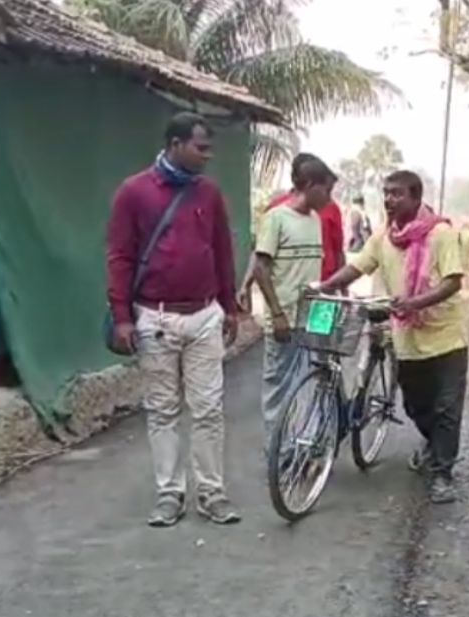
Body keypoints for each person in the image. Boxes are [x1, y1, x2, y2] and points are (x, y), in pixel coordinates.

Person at [106, 112, 241, 528]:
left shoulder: (210, 194)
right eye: (201, 147)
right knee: (163, 410)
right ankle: (169, 493)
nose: (208, 155)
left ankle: (211, 493)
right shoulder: (134, 192)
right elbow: (119, 257)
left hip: (204, 317)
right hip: (155, 319)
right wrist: (122, 318)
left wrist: (229, 306)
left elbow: (222, 250)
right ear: (176, 144)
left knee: (208, 409)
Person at [313, 170, 469, 504]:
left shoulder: (441, 233)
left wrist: (414, 302)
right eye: (386, 193)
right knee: (415, 405)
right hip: (407, 337)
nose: (389, 200)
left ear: (415, 197)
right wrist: (326, 285)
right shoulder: (384, 236)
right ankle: (433, 445)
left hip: (446, 337)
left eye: (397, 194)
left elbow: (453, 281)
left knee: (447, 407)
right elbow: (359, 267)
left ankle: (442, 473)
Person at [241, 155, 337, 445]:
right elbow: (260, 267)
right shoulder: (276, 218)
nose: (329, 198)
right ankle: (278, 451)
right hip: (284, 319)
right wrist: (277, 313)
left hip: (315, 315)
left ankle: (306, 447)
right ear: (308, 185)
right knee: (279, 387)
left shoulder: (316, 219)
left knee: (312, 380)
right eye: (326, 190)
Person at [266, 153, 345, 281]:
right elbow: (263, 255)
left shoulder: (331, 208)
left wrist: (341, 286)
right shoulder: (276, 212)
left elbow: (338, 250)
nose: (328, 197)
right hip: (287, 287)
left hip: (325, 285)